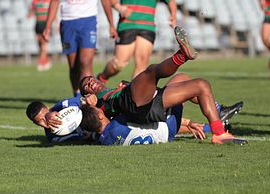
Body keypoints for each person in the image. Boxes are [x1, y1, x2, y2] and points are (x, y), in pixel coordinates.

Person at [76, 27, 246, 144]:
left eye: (90, 79)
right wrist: (86, 103)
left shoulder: (115, 89)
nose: (89, 82)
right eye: (86, 86)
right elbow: (89, 119)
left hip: (151, 104)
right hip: (133, 106)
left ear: (99, 79)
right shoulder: (97, 103)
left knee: (199, 84)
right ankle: (182, 56)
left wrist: (188, 122)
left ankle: (219, 133)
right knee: (151, 72)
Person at [42, 0, 115, 97]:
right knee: (74, 67)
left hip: (88, 21)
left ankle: (89, 99)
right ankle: (76, 95)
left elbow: (105, 1)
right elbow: (54, 2)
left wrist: (111, 24)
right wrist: (47, 27)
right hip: (68, 23)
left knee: (85, 62)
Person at [96, 0, 177, 83]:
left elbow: (171, 1)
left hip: (147, 26)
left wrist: (173, 16)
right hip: (127, 25)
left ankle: (133, 93)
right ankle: (102, 77)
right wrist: (119, 8)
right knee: (118, 64)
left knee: (142, 64)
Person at [26, 96, 95, 144]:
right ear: (36, 124)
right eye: (40, 120)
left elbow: (82, 101)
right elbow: (80, 138)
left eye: (45, 115)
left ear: (48, 108)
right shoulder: (52, 138)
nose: (46, 120)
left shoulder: (62, 105)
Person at [28, 0, 53, 71]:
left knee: (43, 44)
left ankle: (41, 62)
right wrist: (29, 15)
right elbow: (32, 11)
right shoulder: (34, 1)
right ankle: (46, 61)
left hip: (46, 24)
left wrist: (56, 24)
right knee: (39, 44)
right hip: (38, 24)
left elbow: (52, 11)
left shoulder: (49, 1)